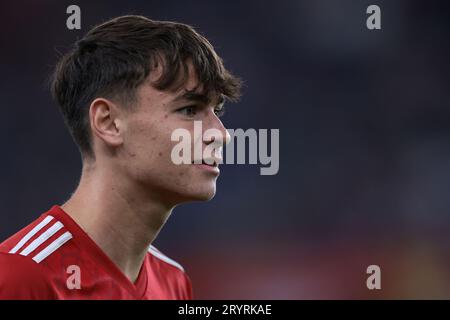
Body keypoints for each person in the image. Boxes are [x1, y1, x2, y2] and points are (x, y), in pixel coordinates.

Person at [0, 15, 241, 299]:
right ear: (108, 122)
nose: (221, 134)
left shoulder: (174, 283)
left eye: (217, 111)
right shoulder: (19, 277)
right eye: (189, 110)